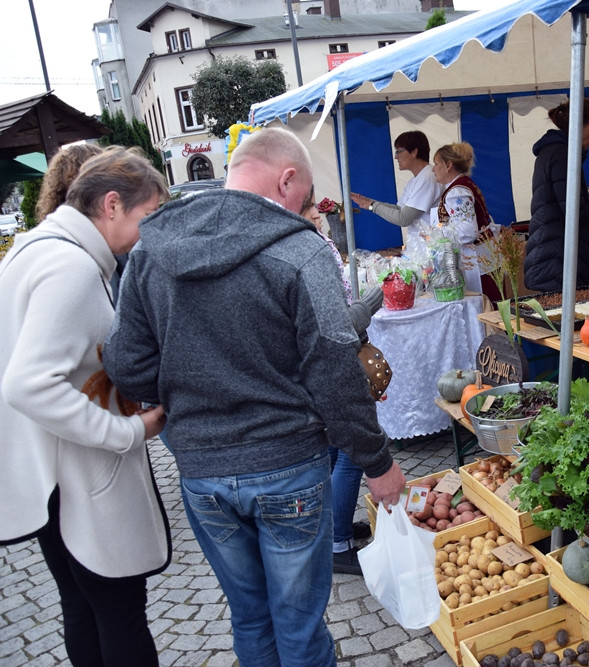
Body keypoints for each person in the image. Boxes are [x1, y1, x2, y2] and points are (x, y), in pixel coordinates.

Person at [102, 126, 406, 667]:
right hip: (287, 464)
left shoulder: (151, 250)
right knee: (298, 623)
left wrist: (189, 390)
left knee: (251, 616)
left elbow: (128, 365)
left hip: (203, 471)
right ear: (287, 179)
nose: (306, 208)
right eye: (306, 195)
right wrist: (377, 463)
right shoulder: (301, 250)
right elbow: (337, 372)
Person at [0, 146, 170, 666]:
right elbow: (28, 384)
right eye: (148, 217)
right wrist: (128, 432)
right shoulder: (69, 265)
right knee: (118, 610)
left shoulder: (38, 248)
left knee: (84, 606)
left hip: (50, 472)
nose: (151, 233)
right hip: (74, 477)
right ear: (113, 205)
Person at [301, 190, 382, 575]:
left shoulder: (303, 248)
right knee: (351, 454)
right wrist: (365, 309)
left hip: (320, 368)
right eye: (312, 206)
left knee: (334, 450)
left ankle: (335, 527)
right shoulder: (308, 253)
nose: (319, 212)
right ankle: (337, 544)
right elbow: (332, 327)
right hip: (334, 365)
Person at [523, 98, 589, 292]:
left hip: (554, 257)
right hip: (557, 261)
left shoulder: (555, 152)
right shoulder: (561, 155)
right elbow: (575, 213)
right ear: (578, 125)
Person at [430, 141, 501, 300]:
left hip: (476, 261)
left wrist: (437, 233)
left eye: (436, 164)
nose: (433, 169)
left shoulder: (457, 192)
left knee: (484, 303)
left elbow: (468, 231)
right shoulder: (462, 185)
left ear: (448, 165)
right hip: (483, 257)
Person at [349, 130, 444, 233]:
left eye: (399, 151)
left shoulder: (427, 177)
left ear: (414, 152)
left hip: (430, 245)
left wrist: (372, 205)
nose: (396, 156)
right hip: (421, 244)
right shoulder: (415, 180)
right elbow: (399, 209)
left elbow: (403, 218)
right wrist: (368, 201)